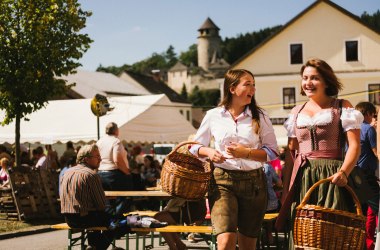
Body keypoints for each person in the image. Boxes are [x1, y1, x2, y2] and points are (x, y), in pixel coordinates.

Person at [190, 69, 279, 250]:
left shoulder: (260, 116)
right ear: (232, 88)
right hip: (222, 180)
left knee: (248, 244)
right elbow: (194, 147)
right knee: (225, 242)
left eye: (254, 85)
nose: (253, 89)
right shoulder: (213, 115)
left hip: (253, 183)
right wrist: (209, 152)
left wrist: (246, 153)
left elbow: (272, 151)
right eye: (247, 84)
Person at [278, 58, 363, 248]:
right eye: (305, 77)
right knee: (304, 233)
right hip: (302, 176)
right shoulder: (296, 111)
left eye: (314, 78)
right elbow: (292, 153)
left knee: (330, 232)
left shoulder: (342, 106)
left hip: (331, 176)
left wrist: (344, 172)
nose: (308, 82)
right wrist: (286, 190)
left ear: (326, 81)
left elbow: (355, 146)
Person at [59, 144, 130, 250]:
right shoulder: (91, 175)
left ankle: (93, 246)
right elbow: (100, 205)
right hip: (86, 218)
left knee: (100, 218)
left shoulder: (66, 173)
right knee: (122, 222)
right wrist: (105, 199)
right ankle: (97, 248)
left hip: (69, 219)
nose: (100, 159)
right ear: (86, 159)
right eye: (97, 156)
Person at [355, 101, 379, 250]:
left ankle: (364, 244)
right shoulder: (369, 129)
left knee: (363, 211)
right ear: (367, 114)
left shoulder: (353, 129)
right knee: (376, 206)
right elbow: (377, 152)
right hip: (367, 175)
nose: (373, 118)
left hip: (355, 174)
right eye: (373, 115)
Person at [96, 122, 132, 216]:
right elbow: (117, 160)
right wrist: (127, 172)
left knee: (107, 201)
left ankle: (108, 222)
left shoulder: (99, 142)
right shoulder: (115, 141)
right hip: (114, 174)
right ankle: (117, 221)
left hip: (101, 173)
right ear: (116, 130)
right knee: (123, 198)